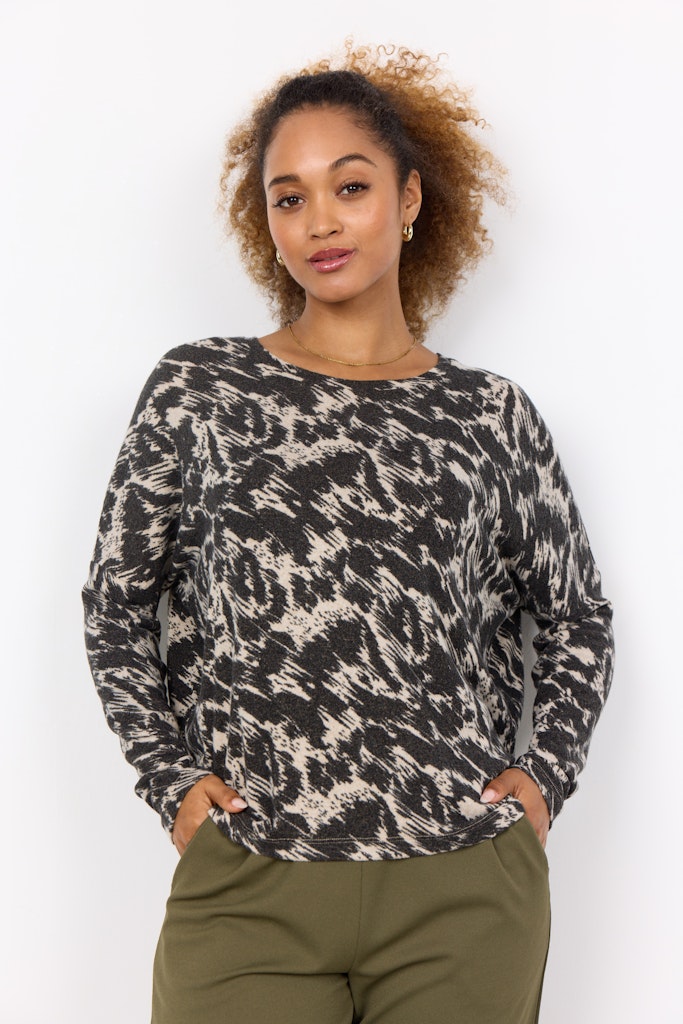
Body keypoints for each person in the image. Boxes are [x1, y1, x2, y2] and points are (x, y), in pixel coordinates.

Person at [82, 42, 615, 1024]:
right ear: (266, 222)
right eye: (288, 197)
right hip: (250, 880)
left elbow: (575, 615)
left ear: (409, 199)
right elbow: (116, 605)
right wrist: (171, 780)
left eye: (351, 186)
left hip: (461, 888)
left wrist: (540, 780)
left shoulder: (488, 416)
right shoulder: (200, 390)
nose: (320, 220)